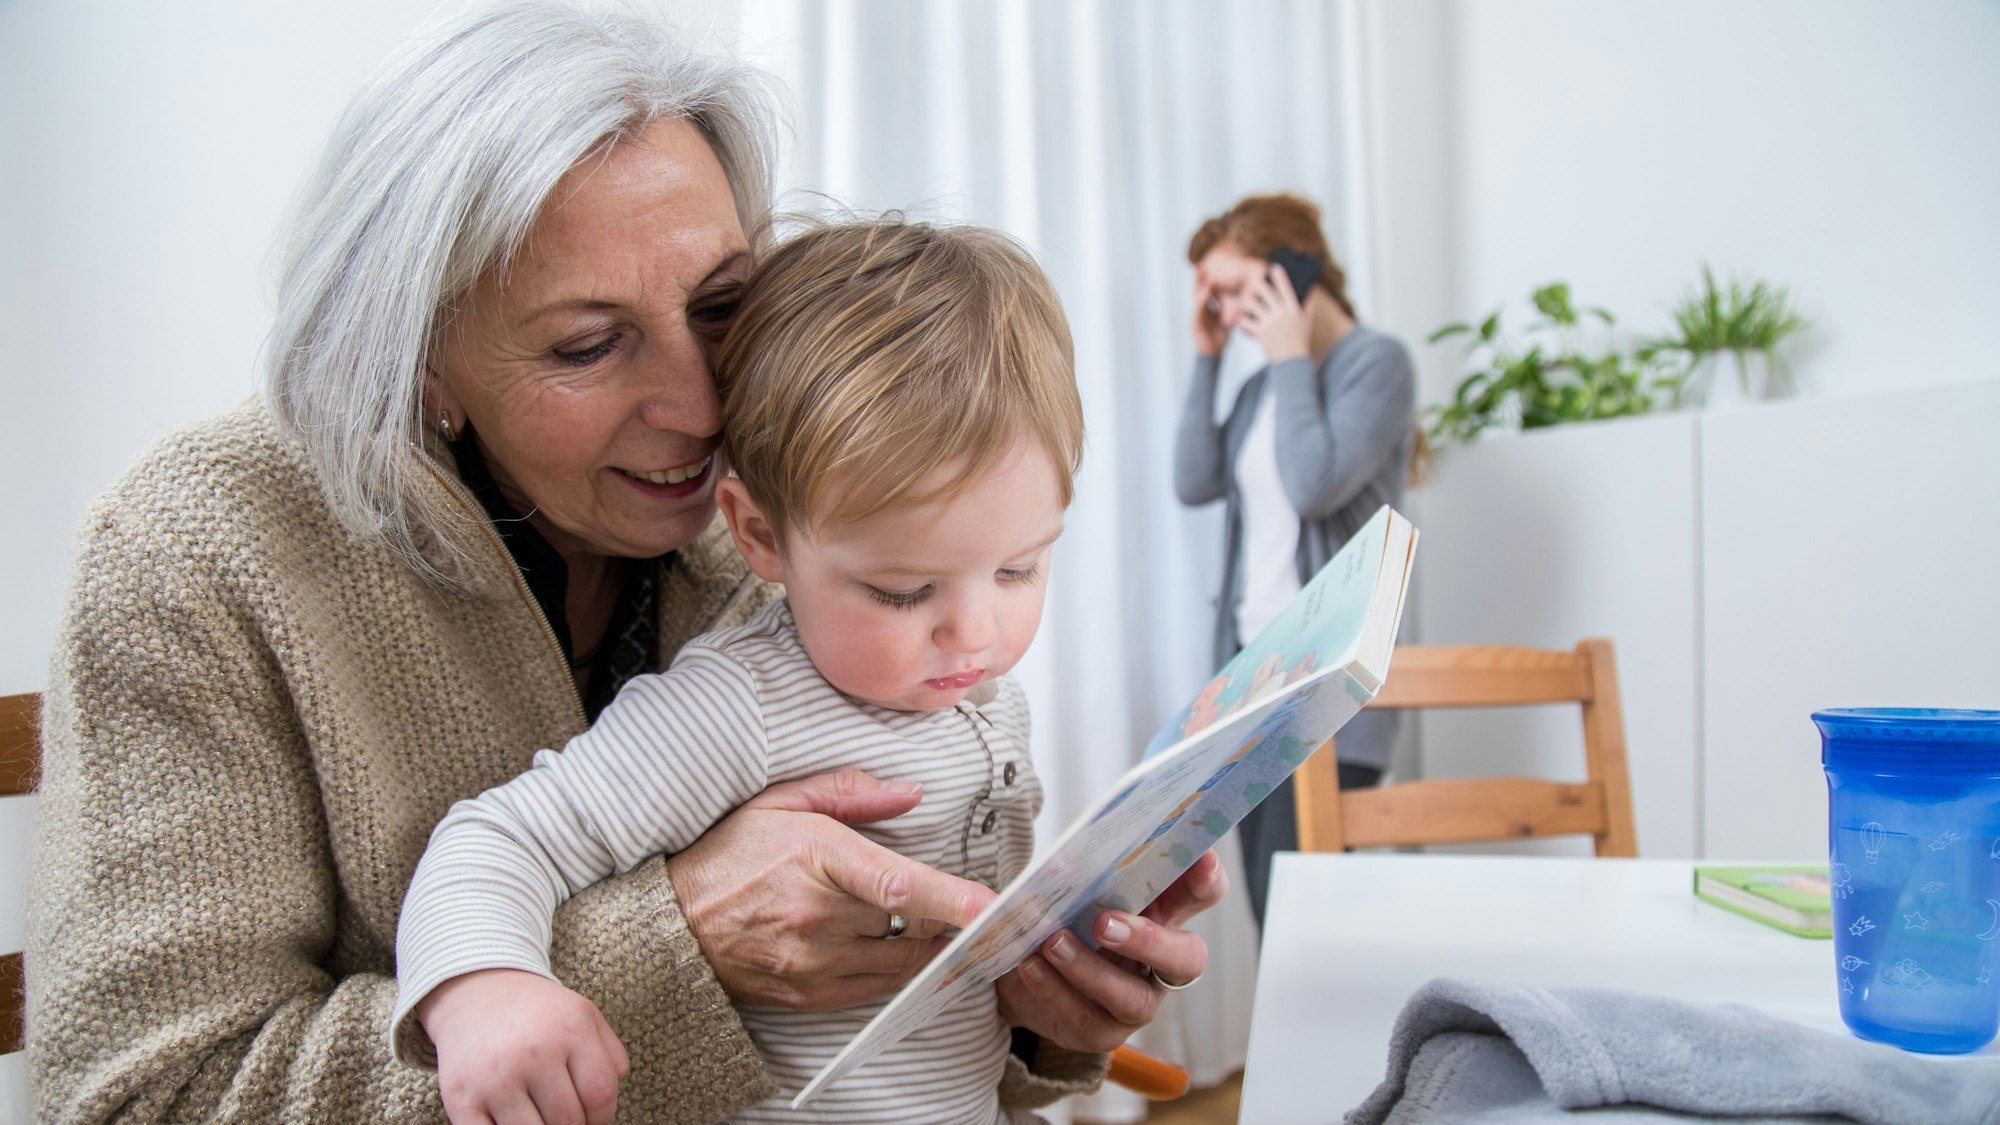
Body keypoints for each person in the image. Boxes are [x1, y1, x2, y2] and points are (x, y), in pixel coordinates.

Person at [26, 7, 1222, 1122]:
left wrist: (1029, 1009)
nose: (704, 408)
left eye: (721, 306)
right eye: (589, 345)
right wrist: (674, 956)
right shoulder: (198, 555)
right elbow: (143, 1100)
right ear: (417, 363)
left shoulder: (799, 504)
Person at [393, 219, 1191, 1125]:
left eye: (1019, 569)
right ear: (761, 535)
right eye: (902, 590)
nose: (975, 632)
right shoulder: (741, 705)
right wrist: (485, 992)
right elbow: (498, 840)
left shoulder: (982, 704)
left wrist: (1070, 955)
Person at [1173, 193, 1416, 926]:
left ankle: (1311, 1045)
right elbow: (1193, 479)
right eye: (1218, 296)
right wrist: (1207, 359)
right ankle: (1293, 1043)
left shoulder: (1374, 363)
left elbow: (1314, 484)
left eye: (1240, 290)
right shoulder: (1259, 387)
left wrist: (1289, 355)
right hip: (1255, 678)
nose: (1231, 310)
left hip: (1328, 681)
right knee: (1263, 904)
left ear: (1295, 274)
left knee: (1299, 912)